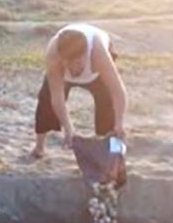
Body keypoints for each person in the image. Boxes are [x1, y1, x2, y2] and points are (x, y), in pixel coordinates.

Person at [32, 23, 128, 158]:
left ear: (85, 55)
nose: (72, 69)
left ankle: (112, 153)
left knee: (107, 104)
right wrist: (68, 129)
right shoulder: (54, 56)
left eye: (76, 63)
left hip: (97, 68)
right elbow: (57, 97)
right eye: (67, 63)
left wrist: (119, 122)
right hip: (62, 61)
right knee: (46, 99)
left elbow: (117, 92)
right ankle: (39, 147)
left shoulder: (99, 55)